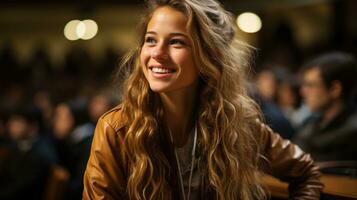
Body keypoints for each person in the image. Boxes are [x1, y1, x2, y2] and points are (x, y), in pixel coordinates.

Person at [83, 0, 322, 199]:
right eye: (151, 40)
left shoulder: (237, 122)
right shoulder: (116, 129)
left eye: (176, 41)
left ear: (208, 56)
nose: (156, 53)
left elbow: (306, 173)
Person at [293, 52, 357, 162]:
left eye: (310, 85)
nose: (302, 91)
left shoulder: (352, 134)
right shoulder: (310, 125)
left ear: (335, 89)